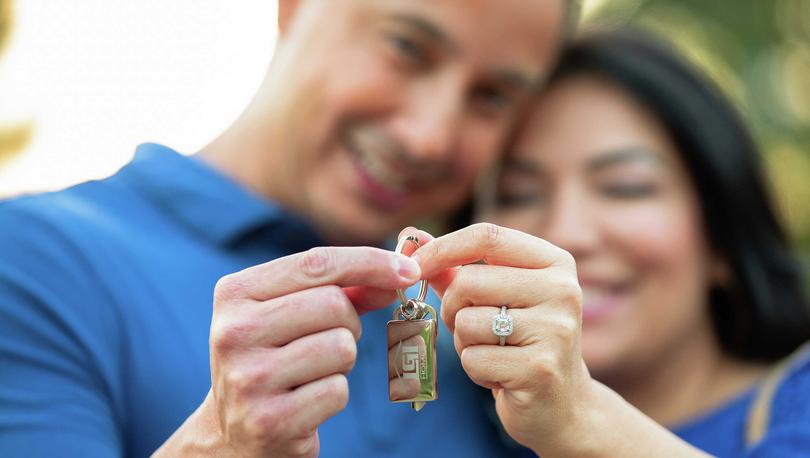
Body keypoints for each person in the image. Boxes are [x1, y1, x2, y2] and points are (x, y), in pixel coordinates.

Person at [0, 1, 578, 456]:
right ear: (293, 5)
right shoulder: (28, 260)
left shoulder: (493, 343)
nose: (428, 136)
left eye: (493, 97)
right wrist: (220, 447)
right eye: (406, 46)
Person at [400, 28, 810, 456]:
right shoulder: (446, 426)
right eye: (517, 194)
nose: (565, 232)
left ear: (723, 235)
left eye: (624, 187)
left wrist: (580, 419)